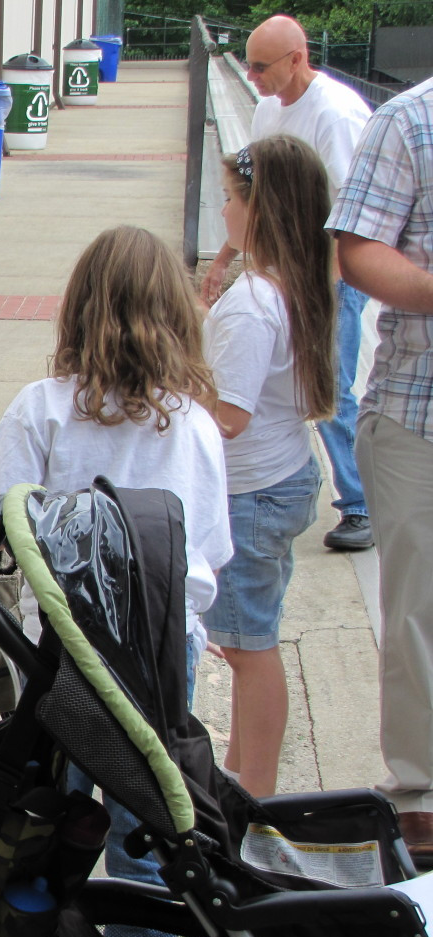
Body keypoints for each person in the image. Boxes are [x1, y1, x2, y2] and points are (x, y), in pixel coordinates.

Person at [0, 225, 232, 937]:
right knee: (151, 821)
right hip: (160, 658)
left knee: (50, 820)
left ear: (77, 308)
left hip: (63, 661)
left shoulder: (43, 407)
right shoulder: (193, 424)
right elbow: (208, 549)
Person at [200, 14, 373, 552]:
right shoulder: (269, 107)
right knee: (292, 381)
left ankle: (360, 504)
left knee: (332, 385)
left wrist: (320, 291)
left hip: (326, 271)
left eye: (260, 66)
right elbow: (251, 192)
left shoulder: (337, 115)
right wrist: (226, 259)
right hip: (287, 270)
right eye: (248, 66)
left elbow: (351, 216)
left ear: (298, 59)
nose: (251, 76)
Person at [204, 137, 334, 800]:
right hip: (279, 478)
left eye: (230, 198)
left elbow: (228, 415)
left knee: (248, 648)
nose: (223, 209)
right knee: (246, 639)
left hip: (250, 493)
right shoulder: (294, 282)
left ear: (263, 209)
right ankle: (240, 772)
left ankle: (254, 794)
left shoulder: (254, 303)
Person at [327, 76, 433, 866]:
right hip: (419, 414)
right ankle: (424, 798)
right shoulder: (411, 120)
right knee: (421, 617)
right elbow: (357, 249)